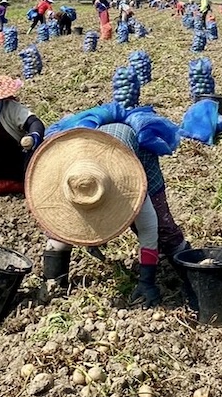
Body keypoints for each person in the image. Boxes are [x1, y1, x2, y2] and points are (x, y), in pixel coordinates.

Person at [28, 123, 192, 308]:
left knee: (164, 227)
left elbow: (149, 229)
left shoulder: (130, 185)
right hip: (86, 151)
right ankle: (56, 281)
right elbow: (59, 227)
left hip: (138, 150)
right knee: (60, 232)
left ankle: (188, 268)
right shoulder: (64, 175)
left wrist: (147, 281)